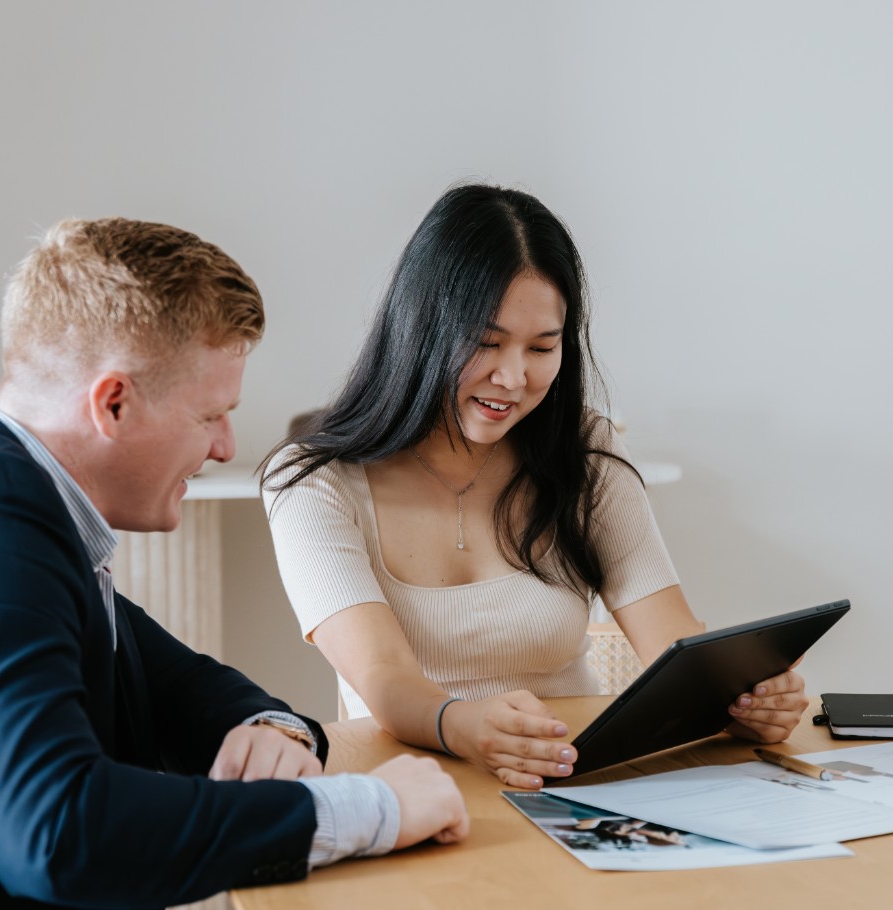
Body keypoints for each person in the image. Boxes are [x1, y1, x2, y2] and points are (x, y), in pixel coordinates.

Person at [0, 218, 469, 909]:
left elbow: (170, 679)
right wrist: (372, 811)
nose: (224, 445)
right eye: (210, 415)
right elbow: (60, 834)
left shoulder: (10, 503)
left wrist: (270, 730)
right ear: (113, 403)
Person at [262, 185, 809, 791]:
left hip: (577, 781)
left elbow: (672, 639)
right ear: (421, 328)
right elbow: (385, 678)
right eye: (487, 343)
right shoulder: (313, 482)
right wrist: (464, 724)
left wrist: (740, 699)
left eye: (542, 347)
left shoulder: (586, 452)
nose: (514, 377)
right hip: (410, 794)